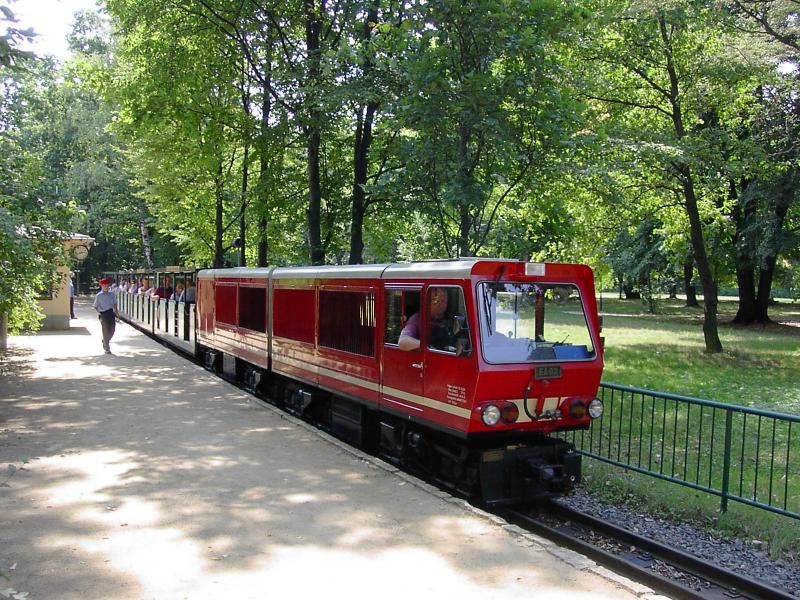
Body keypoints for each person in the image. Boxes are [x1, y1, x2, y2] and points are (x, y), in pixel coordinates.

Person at [93, 277, 118, 354]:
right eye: (104, 285)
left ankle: (105, 340)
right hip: (103, 314)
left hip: (111, 313)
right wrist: (99, 312)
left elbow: (115, 304)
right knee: (105, 330)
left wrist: (117, 313)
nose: (106, 287)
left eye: (107, 285)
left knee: (112, 330)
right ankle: (107, 348)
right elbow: (95, 306)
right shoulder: (98, 295)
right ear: (101, 286)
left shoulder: (112, 294)